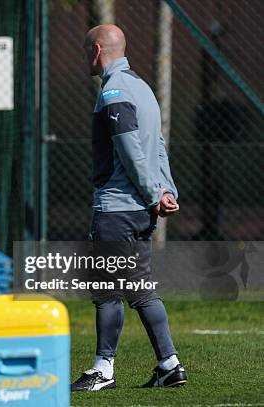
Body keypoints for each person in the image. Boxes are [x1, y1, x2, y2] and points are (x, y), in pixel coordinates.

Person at [71, 24, 187, 391]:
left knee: (107, 291)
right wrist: (165, 189)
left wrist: (155, 192)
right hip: (140, 211)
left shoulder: (114, 90)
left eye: (85, 49)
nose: (84, 56)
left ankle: (103, 370)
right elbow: (158, 146)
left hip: (117, 210)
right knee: (140, 290)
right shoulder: (143, 88)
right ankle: (169, 365)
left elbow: (130, 149)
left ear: (96, 51)